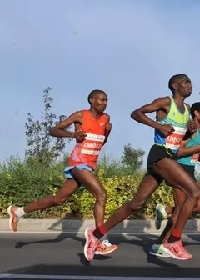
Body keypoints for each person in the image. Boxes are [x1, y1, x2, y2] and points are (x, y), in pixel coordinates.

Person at [82, 74, 200, 262]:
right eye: (186, 82)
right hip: (160, 155)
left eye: (190, 82)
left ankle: (96, 234)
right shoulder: (164, 103)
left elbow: (180, 137)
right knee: (194, 192)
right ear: (175, 86)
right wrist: (156, 125)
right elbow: (136, 113)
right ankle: (174, 241)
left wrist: (190, 129)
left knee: (136, 204)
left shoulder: (187, 109)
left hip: (169, 157)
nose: (190, 85)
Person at [6, 90, 118, 255]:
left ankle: (18, 211)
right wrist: (73, 134)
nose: (105, 103)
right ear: (91, 100)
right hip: (78, 162)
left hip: (90, 164)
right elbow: (53, 130)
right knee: (101, 194)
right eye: (101, 100)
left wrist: (107, 133)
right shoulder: (80, 115)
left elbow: (101, 142)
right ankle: (99, 240)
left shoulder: (106, 119)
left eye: (106, 100)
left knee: (59, 199)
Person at [150, 101, 200, 257]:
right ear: (196, 113)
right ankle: (160, 245)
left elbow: (189, 150)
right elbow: (177, 152)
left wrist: (198, 156)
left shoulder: (199, 129)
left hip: (190, 170)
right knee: (179, 212)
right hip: (180, 170)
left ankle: (165, 210)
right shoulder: (190, 128)